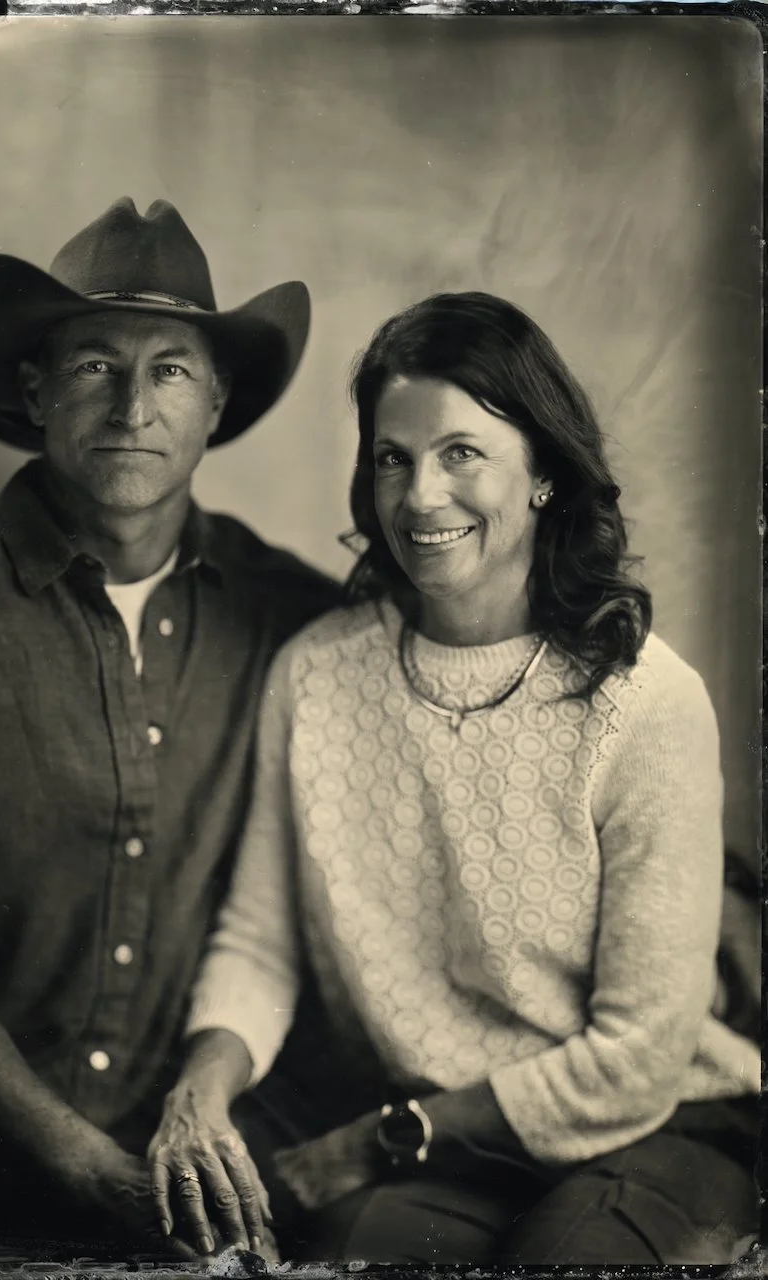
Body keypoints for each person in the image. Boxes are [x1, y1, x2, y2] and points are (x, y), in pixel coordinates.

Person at [146, 291, 761, 1264]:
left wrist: (380, 1137)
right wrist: (199, 1088)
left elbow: (638, 1057)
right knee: (364, 1257)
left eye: (460, 452)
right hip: (440, 1132)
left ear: (546, 475)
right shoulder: (316, 673)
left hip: (653, 1121)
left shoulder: (646, 702)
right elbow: (262, 943)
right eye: (393, 457)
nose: (420, 495)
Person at [0, 197, 340, 1259]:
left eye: (171, 370)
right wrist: (87, 1170)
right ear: (36, 388)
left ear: (217, 400)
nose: (133, 405)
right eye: (94, 364)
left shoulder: (294, 618)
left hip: (188, 1166)